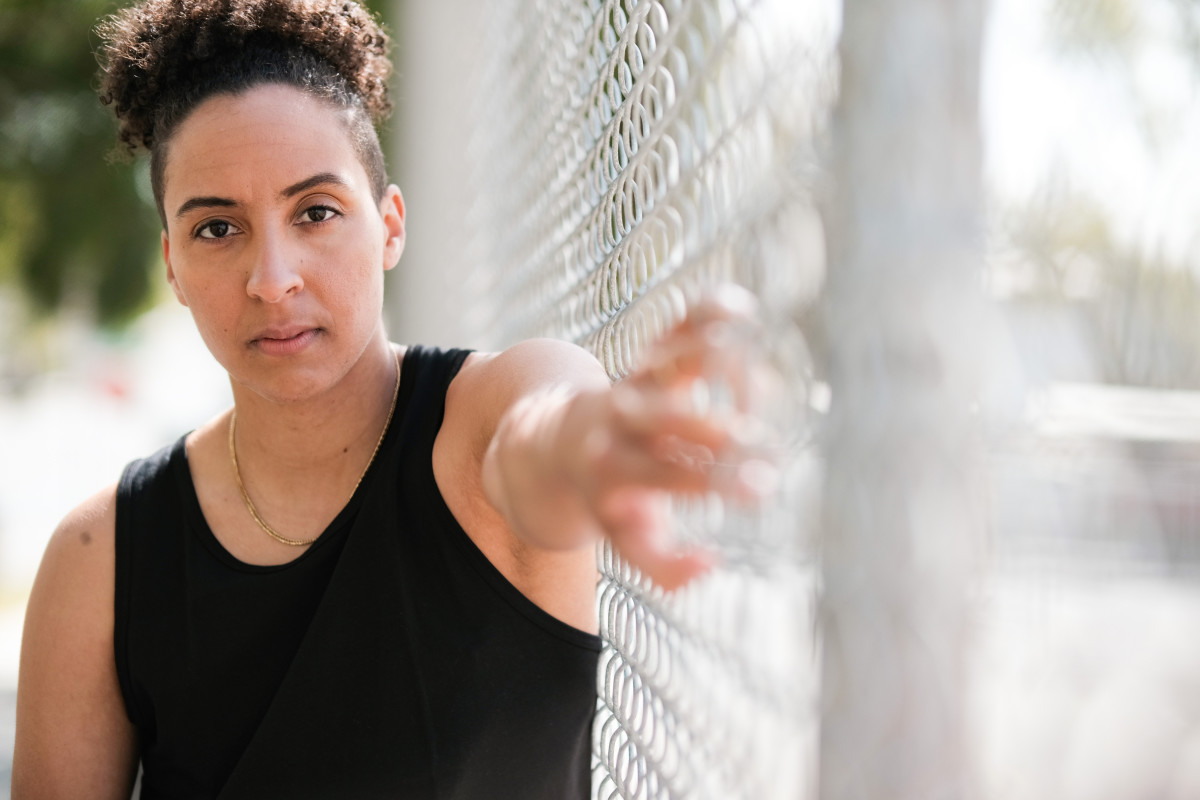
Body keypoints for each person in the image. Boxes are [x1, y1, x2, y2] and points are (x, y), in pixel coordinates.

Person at [11, 1, 771, 798]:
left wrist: (596, 441)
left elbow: (540, 431)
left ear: (390, 226)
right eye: (216, 229)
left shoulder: (480, 422)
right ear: (171, 262)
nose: (273, 279)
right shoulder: (101, 559)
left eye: (316, 212)